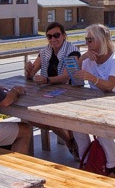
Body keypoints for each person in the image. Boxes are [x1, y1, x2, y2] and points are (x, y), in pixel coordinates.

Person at [72, 24, 115, 177]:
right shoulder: (89, 60)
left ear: (102, 40)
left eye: (90, 39)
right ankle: (87, 160)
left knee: (100, 125)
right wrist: (82, 58)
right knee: (74, 123)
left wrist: (91, 77)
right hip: (96, 103)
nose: (87, 43)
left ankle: (112, 166)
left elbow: (109, 86)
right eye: (86, 39)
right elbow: (74, 78)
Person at [24, 22, 80, 157]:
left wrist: (46, 80)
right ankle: (70, 140)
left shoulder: (72, 50)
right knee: (30, 118)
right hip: (49, 94)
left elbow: (66, 76)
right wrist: (28, 70)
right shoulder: (45, 51)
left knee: (52, 119)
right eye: (49, 36)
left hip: (70, 93)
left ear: (64, 35)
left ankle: (70, 142)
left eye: (56, 35)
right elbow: (31, 75)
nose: (53, 39)